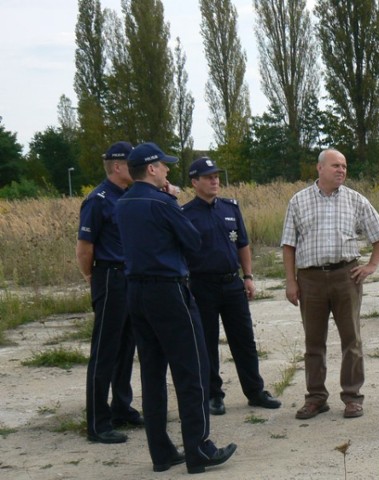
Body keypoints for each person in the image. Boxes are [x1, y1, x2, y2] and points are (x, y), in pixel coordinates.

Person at [115, 142, 236, 474]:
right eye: (164, 166)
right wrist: (171, 197)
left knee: (152, 374)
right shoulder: (163, 202)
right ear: (152, 169)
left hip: (136, 291)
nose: (168, 170)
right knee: (191, 370)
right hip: (168, 291)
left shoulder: (123, 202)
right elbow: (193, 240)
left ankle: (162, 451)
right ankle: (199, 448)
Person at [281, 148, 379, 420]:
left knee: (351, 340)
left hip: (346, 276)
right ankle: (316, 397)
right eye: (335, 165)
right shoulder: (299, 201)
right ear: (319, 169)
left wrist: (371, 265)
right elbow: (288, 245)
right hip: (311, 280)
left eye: (344, 166)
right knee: (313, 343)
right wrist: (291, 281)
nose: (341, 170)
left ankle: (352, 397)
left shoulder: (355, 200)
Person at [183, 157, 282, 416]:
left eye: (216, 175)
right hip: (202, 285)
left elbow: (243, 244)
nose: (215, 180)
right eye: (208, 177)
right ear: (195, 182)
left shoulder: (230, 208)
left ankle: (255, 391)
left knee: (244, 340)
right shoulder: (185, 214)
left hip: (231, 283)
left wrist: (248, 276)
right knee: (206, 343)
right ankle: (213, 394)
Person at [76, 141, 143, 444]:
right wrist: (92, 275)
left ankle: (121, 407)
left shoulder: (129, 196)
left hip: (130, 277)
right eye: (131, 163)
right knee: (104, 351)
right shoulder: (98, 199)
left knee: (126, 347)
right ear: (117, 166)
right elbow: (85, 247)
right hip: (110, 276)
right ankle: (97, 422)